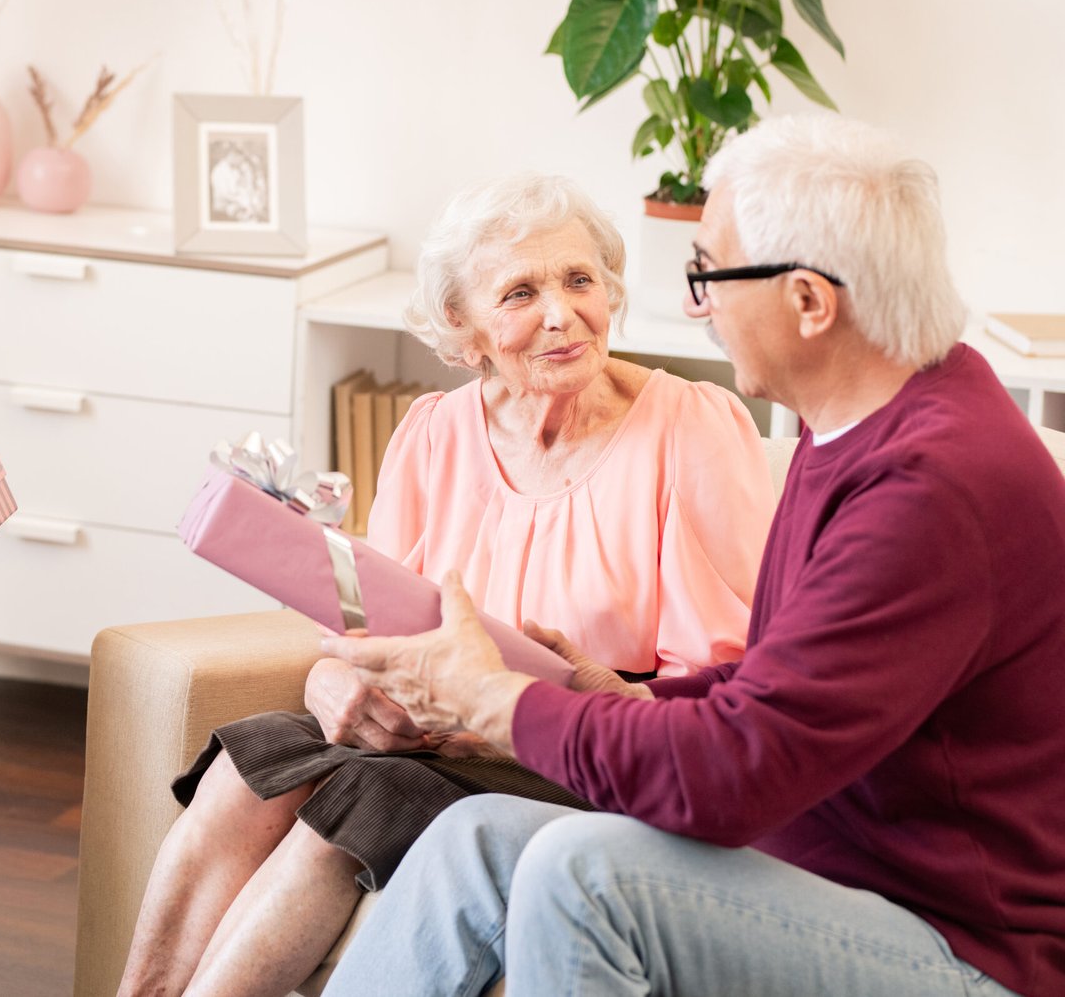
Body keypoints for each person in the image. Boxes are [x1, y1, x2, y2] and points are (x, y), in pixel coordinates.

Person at [321, 115, 1065, 997]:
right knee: (473, 838)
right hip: (834, 878)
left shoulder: (931, 486)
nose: (693, 306)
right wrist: (616, 695)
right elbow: (786, 685)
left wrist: (495, 697)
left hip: (956, 948)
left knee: (579, 874)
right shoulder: (855, 425)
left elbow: (740, 772)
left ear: (809, 302)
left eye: (708, 273)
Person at [117, 173, 776, 997]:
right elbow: (367, 621)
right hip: (432, 733)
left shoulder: (692, 427)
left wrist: (531, 705)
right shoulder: (433, 432)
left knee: (362, 794)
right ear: (464, 330)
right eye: (521, 293)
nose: (562, 313)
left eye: (579, 280)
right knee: (254, 761)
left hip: (585, 749)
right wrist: (334, 685)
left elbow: (726, 687)